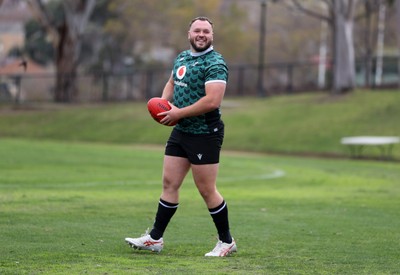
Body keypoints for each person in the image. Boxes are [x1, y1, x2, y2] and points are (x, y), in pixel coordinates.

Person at [125, 16, 237, 257]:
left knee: (207, 190)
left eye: (206, 31)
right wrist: (164, 106)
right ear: (189, 34)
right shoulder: (182, 58)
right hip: (181, 131)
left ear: (212, 36)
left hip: (205, 133)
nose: (201, 34)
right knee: (169, 183)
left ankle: (226, 241)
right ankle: (155, 239)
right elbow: (172, 82)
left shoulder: (216, 63)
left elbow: (212, 101)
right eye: (197, 30)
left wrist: (178, 112)